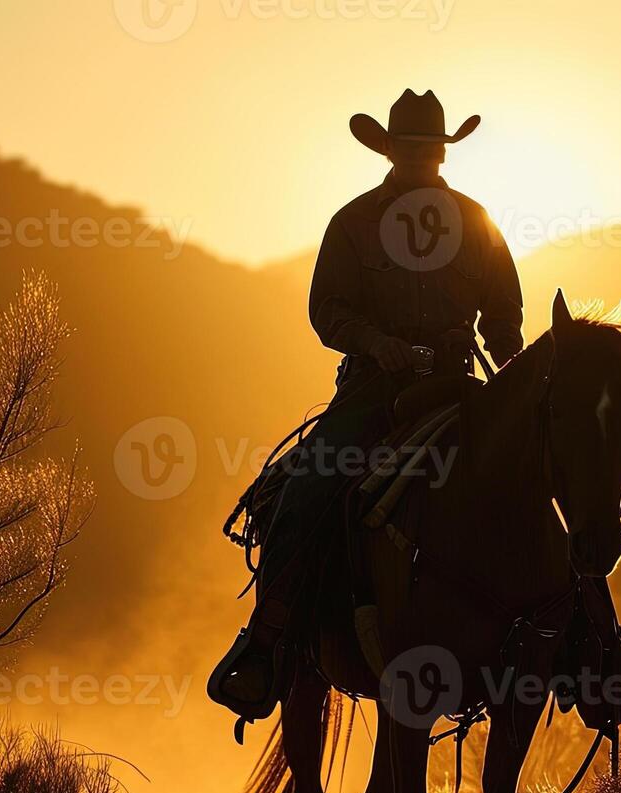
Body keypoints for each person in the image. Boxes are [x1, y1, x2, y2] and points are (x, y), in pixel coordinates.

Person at [209, 90, 523, 718]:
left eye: (430, 152)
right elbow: (327, 310)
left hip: (458, 385)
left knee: (537, 483)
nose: (421, 162)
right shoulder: (352, 223)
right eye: (410, 152)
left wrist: (505, 361)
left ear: (442, 154)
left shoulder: (478, 221)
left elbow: (505, 314)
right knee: (305, 490)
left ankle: (578, 646)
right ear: (388, 151)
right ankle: (265, 644)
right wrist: (379, 344)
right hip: (371, 391)